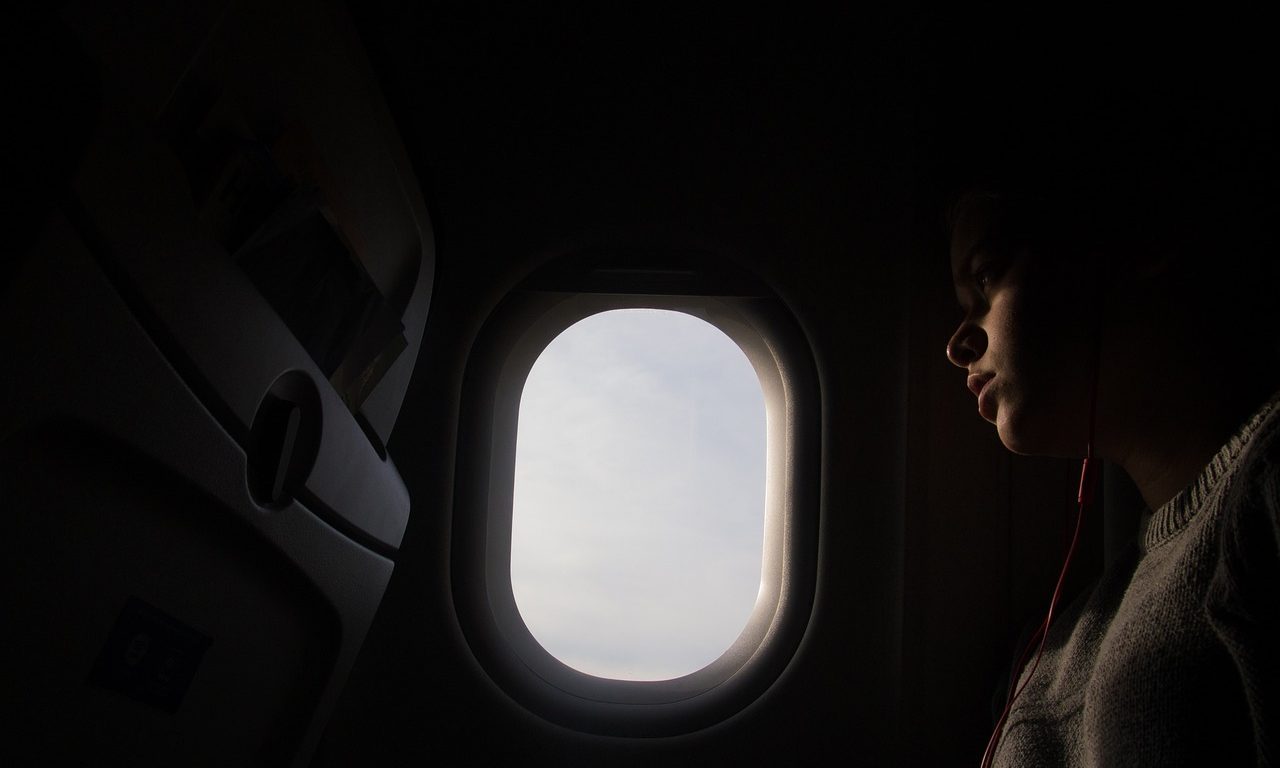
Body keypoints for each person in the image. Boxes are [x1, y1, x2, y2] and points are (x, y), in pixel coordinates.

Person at [943, 88, 1280, 766]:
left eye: (987, 277)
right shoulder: (1062, 633)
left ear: (1138, 237)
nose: (956, 344)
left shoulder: (1263, 499)